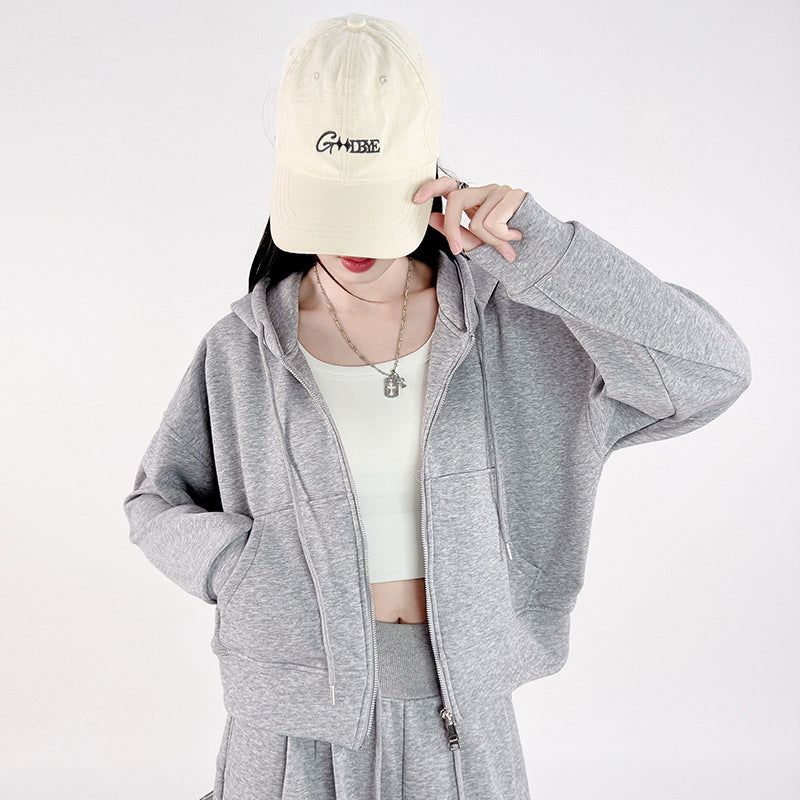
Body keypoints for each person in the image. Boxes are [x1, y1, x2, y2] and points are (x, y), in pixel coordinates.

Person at [122, 13, 752, 800]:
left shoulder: (516, 329)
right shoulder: (241, 347)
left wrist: (543, 253)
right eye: (330, 205)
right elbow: (156, 500)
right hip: (286, 732)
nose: (351, 240)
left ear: (425, 177)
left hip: (462, 726)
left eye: (371, 204)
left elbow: (711, 372)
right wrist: (241, 566)